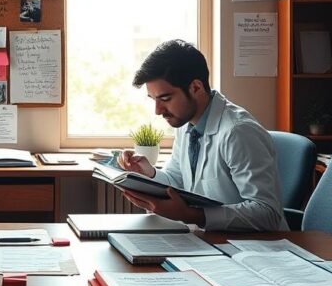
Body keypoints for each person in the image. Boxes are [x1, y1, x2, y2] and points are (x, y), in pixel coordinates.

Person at [117, 39, 287, 232]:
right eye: (154, 100)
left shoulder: (238, 132)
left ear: (196, 88)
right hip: (211, 242)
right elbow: (177, 181)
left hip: (257, 249)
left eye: (165, 98)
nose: (157, 110)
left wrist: (191, 215)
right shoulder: (186, 124)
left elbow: (268, 213)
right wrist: (149, 174)